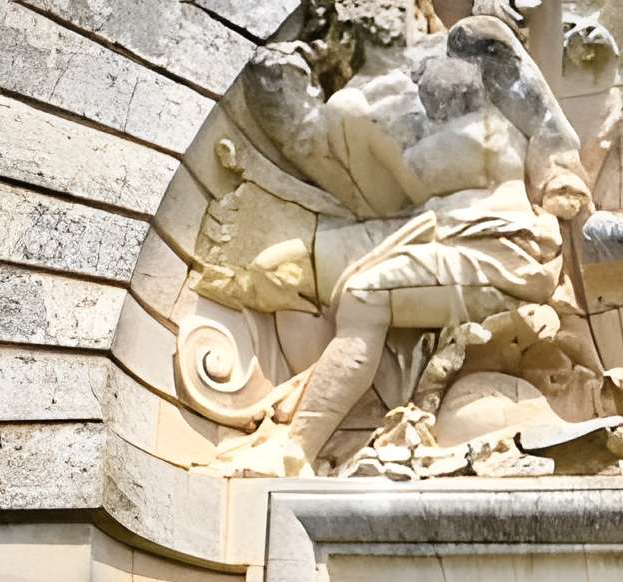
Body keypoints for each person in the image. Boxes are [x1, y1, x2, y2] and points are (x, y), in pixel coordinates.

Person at [217, 0, 594, 476]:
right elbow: (373, 190)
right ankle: (320, 425)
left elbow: (544, 121)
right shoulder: (363, 105)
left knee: (363, 294)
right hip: (441, 238)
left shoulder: (471, 45)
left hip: (504, 246)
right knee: (305, 271)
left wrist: (562, 173)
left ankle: (295, 449)